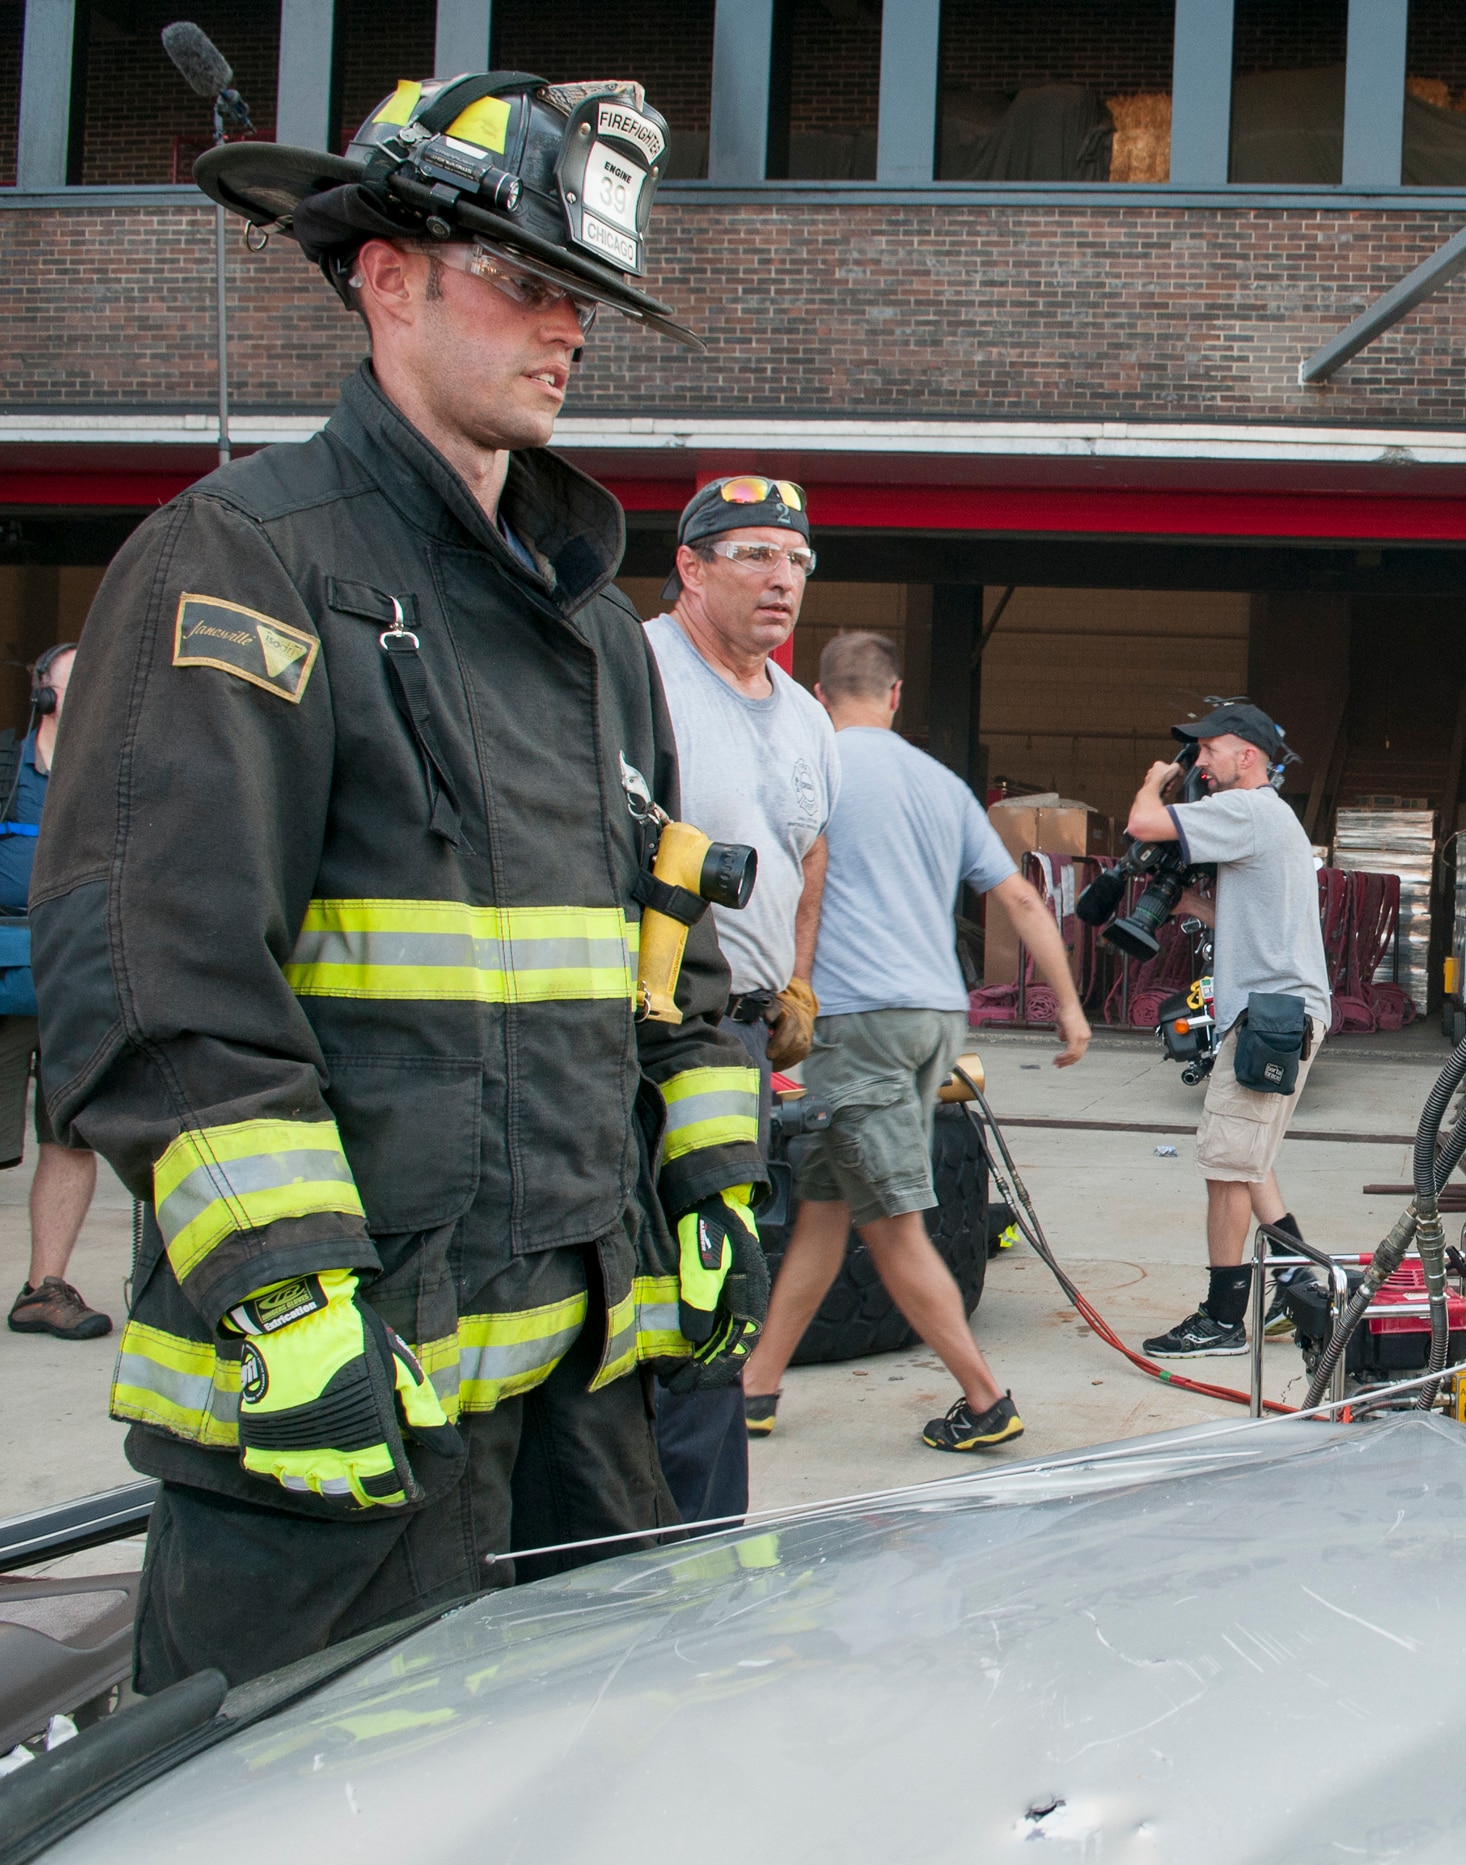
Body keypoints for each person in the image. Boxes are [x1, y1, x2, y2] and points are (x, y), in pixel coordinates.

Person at [35, 73, 765, 1693]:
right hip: (331, 1430)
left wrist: (714, 1179)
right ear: (387, 278)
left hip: (582, 1419)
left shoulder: (590, 624)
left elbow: (668, 943)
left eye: (577, 297)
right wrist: (286, 1301)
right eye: (522, 281)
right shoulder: (246, 560)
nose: (564, 331)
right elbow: (151, 970)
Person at [740, 631, 1090, 1450]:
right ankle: (755, 1387)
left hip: (857, 1022)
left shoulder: (814, 767)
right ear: (895, 697)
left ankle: (986, 1399)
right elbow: (1025, 902)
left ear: (819, 697)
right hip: (934, 1017)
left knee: (893, 1222)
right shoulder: (941, 784)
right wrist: (1069, 1008)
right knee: (826, 1211)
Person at [641, 473, 839, 1521]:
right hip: (645, 1034)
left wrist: (797, 975)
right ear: (691, 565)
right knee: (660, 1275)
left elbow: (808, 856)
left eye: (797, 560)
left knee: (722, 1273)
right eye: (754, 553)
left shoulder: (805, 715)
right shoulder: (636, 673)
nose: (781, 578)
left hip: (743, 1041)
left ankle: (702, 1521)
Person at [1125, 703, 1333, 1360]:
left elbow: (1142, 824)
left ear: (1247, 755)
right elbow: (1258, 922)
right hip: (1281, 1011)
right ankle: (1301, 1279)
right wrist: (1190, 903)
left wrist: (1157, 780)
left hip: (1270, 1017)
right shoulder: (1272, 818)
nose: (1198, 764)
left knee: (1223, 1164)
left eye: (1206, 749)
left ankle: (1221, 1319)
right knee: (1248, 1160)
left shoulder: (1246, 809)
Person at [3, 644, 105, 1341]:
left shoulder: (114, 772)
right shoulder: (4, 768)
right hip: (5, 975)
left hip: (78, 977)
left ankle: (46, 1288)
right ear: (44, 693)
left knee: (69, 1136)